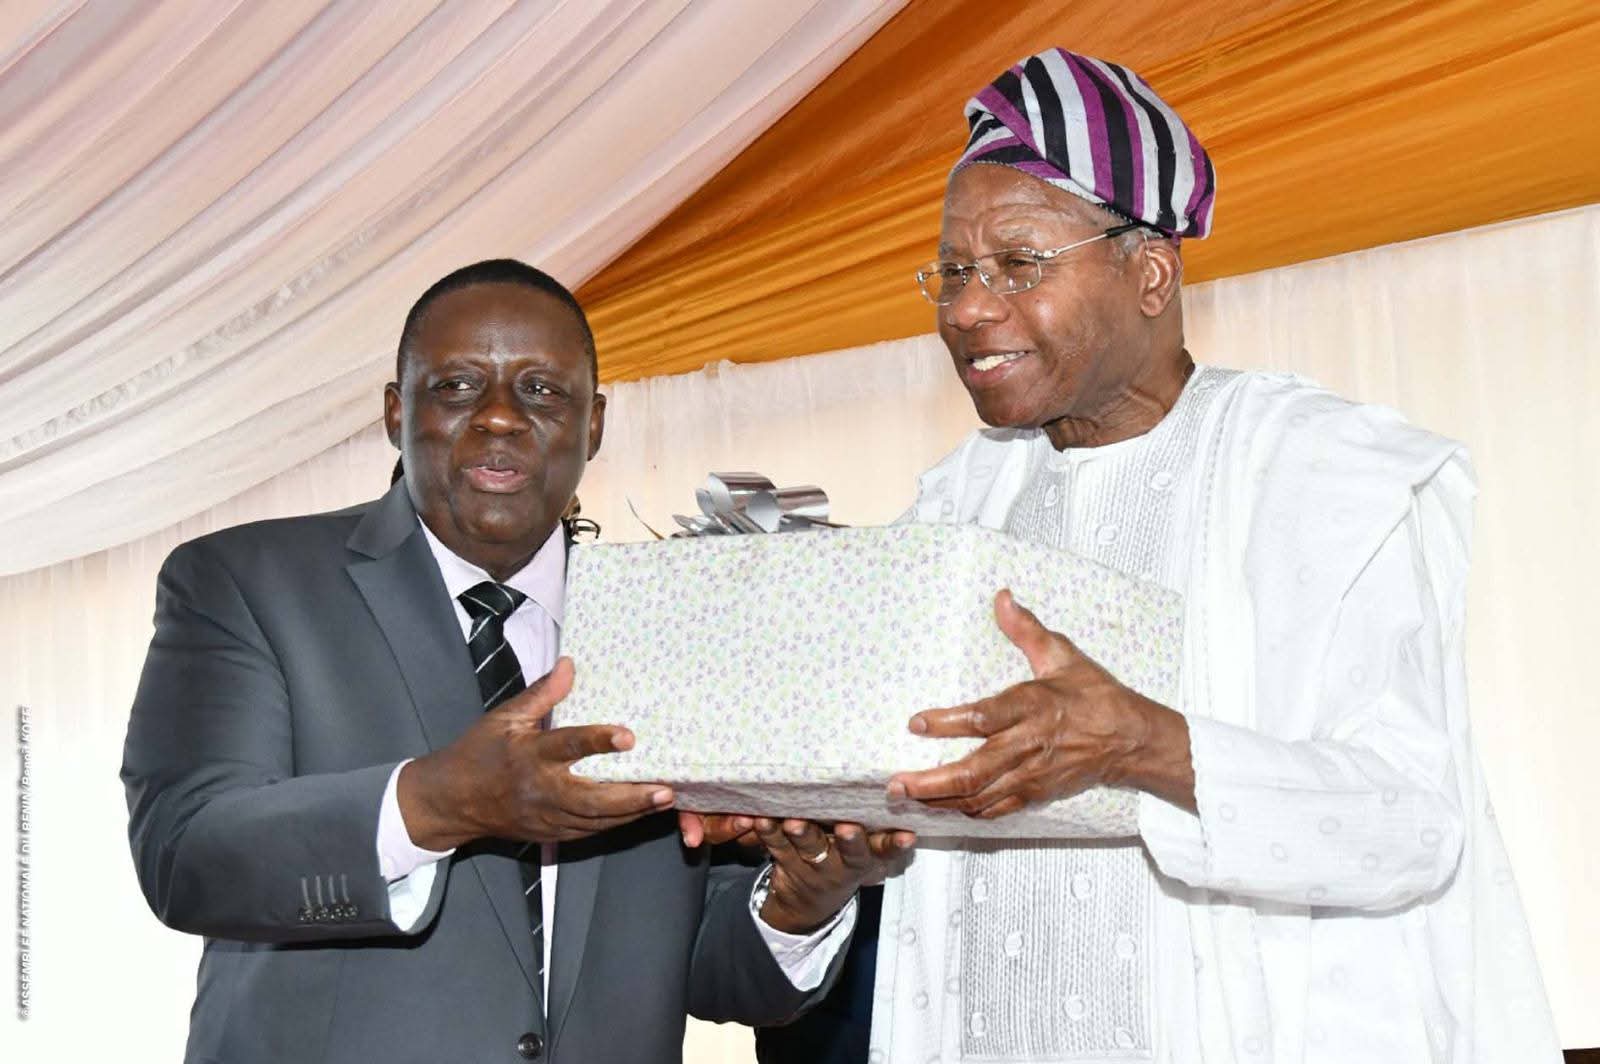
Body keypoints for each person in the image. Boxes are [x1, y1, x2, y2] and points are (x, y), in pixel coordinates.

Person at [855, 48, 1560, 1063]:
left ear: (1150, 272)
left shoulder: (1318, 472)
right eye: (955, 270)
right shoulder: (953, 505)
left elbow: (1411, 823)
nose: (966, 308)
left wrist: (1143, 743)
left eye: (1018, 263)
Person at [122, 259, 908, 1064]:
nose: (499, 416)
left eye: (541, 390)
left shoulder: (673, 624)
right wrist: (442, 803)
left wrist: (801, 903)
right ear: (396, 412)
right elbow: (187, 856)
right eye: (458, 386)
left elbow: (709, 972)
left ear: (592, 425)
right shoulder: (245, 582)